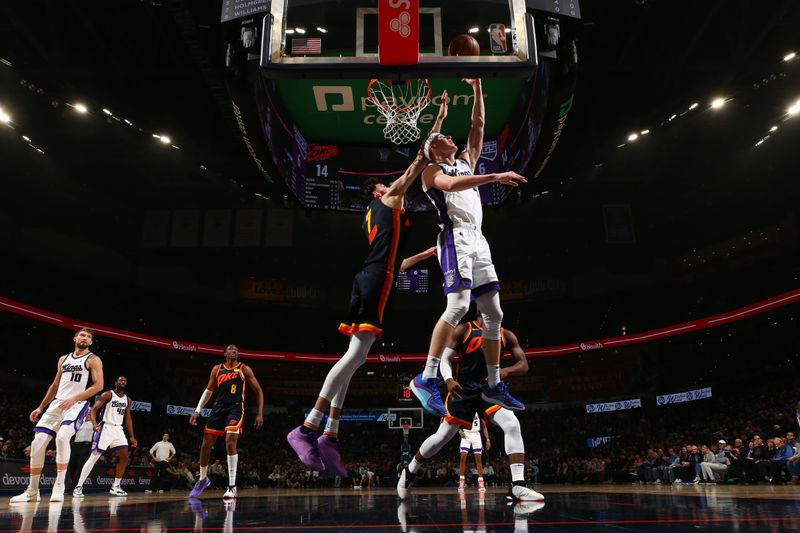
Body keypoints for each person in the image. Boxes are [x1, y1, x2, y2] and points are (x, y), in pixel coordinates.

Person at [286, 135, 432, 477]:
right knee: (354, 357)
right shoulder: (390, 199)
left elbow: (395, 260)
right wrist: (428, 145)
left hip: (371, 276)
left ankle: (330, 435)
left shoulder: (373, 215)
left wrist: (427, 254)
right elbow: (412, 171)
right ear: (380, 192)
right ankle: (306, 429)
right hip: (376, 279)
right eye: (385, 185)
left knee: (357, 356)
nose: (391, 186)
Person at [409, 78, 527, 417]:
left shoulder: (464, 159)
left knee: (494, 313)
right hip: (454, 238)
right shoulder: (432, 171)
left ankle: (492, 385)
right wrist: (494, 177)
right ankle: (428, 376)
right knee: (459, 304)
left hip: (478, 238)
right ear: (434, 150)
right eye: (442, 137)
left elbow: (478, 124)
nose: (449, 137)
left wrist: (476, 87)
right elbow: (452, 184)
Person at [398, 312, 543, 502]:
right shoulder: (465, 329)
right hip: (462, 390)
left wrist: (506, 371)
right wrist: (448, 379)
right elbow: (446, 358)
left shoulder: (506, 334)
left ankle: (518, 485)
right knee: (442, 437)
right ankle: (410, 470)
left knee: (512, 424)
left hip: (488, 391)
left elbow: (523, 365)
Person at [10, 328, 104, 503]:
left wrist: (75, 398)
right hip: (57, 404)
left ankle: (59, 486)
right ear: (75, 338)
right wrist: (40, 407)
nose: (85, 338)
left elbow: (99, 385)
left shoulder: (93, 359)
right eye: (82, 335)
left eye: (89, 337)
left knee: (62, 438)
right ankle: (32, 491)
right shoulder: (63, 359)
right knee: (37, 442)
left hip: (77, 404)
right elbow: (54, 385)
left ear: (91, 342)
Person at [189, 344, 264, 500]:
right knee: (205, 445)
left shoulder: (244, 369)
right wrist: (197, 410)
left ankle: (232, 486)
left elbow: (258, 390)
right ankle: (203, 479)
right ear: (224, 353)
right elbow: (208, 391)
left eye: (236, 349)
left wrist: (260, 413)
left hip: (235, 408)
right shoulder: (217, 369)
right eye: (230, 349)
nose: (234, 351)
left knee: (230, 441)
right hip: (218, 408)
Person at [73, 375, 138, 497]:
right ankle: (78, 486)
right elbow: (94, 410)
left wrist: (132, 436)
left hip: (118, 429)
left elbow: (128, 418)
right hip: (106, 427)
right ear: (116, 382)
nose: (122, 381)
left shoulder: (127, 399)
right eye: (120, 380)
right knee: (94, 457)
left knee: (124, 457)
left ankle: (115, 486)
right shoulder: (108, 394)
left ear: (126, 383)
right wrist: (94, 423)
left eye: (124, 380)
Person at [457, 413, 490, 493]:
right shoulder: (464, 410)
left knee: (478, 459)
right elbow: (458, 423)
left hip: (476, 434)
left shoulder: (479, 412)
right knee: (463, 458)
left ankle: (481, 482)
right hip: (466, 434)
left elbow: (484, 427)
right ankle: (461, 481)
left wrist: (488, 439)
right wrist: (460, 431)